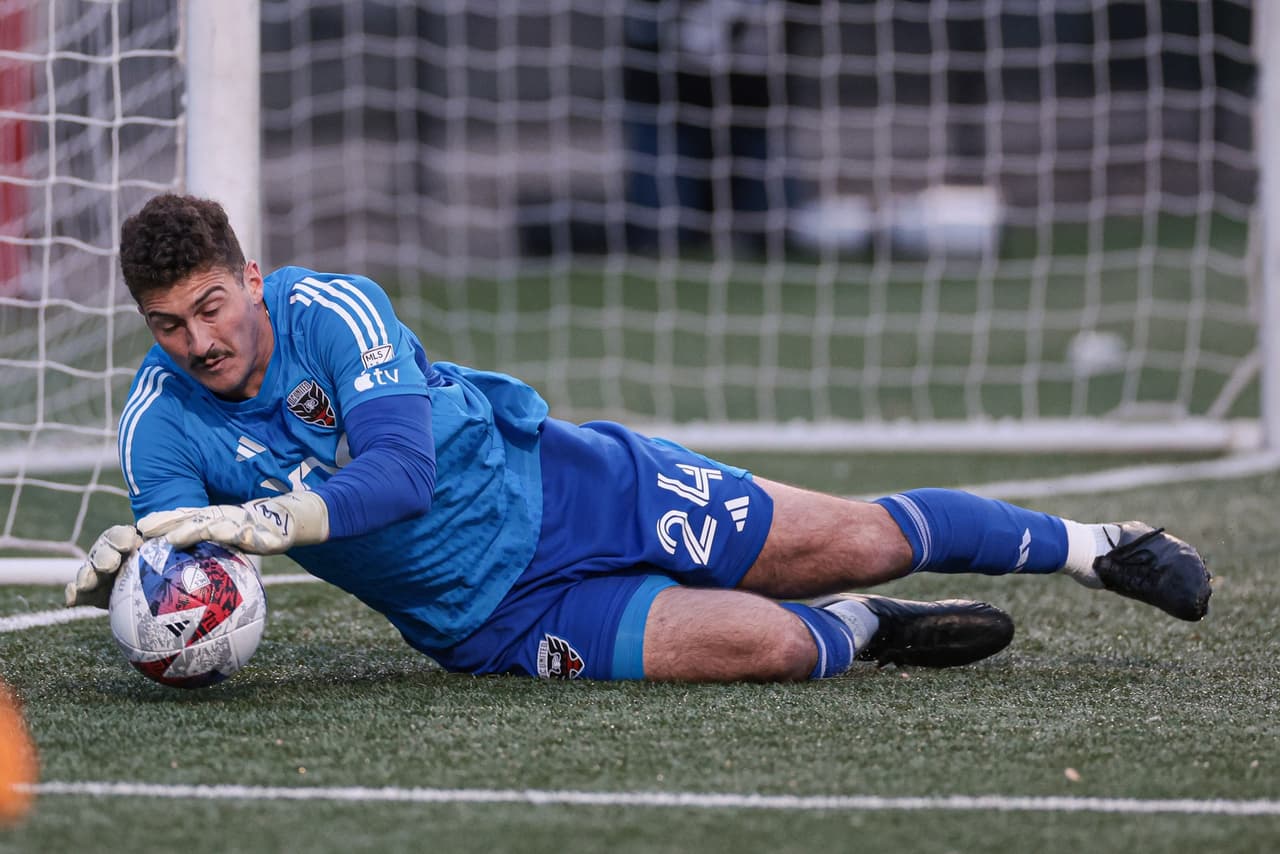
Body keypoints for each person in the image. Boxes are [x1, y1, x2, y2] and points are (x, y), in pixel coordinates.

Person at [66, 194, 1211, 683]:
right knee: (774, 648)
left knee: (855, 536)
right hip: (494, 618)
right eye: (168, 324)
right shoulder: (160, 419)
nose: (199, 339)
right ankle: (863, 635)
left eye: (214, 305)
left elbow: (404, 474)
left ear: (250, 278)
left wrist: (265, 520)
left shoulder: (335, 311)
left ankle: (1093, 542)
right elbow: (176, 553)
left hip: (574, 488)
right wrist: (137, 584)